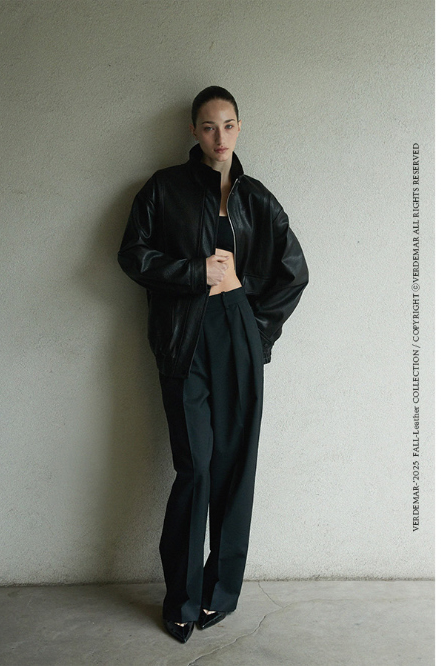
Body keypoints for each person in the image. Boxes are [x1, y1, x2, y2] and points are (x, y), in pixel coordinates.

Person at [117, 86, 309, 644]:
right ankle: (180, 598)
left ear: (239, 127)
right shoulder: (163, 189)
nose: (218, 137)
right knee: (196, 468)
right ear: (194, 132)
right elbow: (133, 255)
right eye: (207, 126)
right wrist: (193, 273)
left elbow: (294, 272)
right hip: (185, 338)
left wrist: (257, 329)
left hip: (238, 332)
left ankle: (220, 593)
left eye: (227, 125)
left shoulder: (258, 199)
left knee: (234, 469)